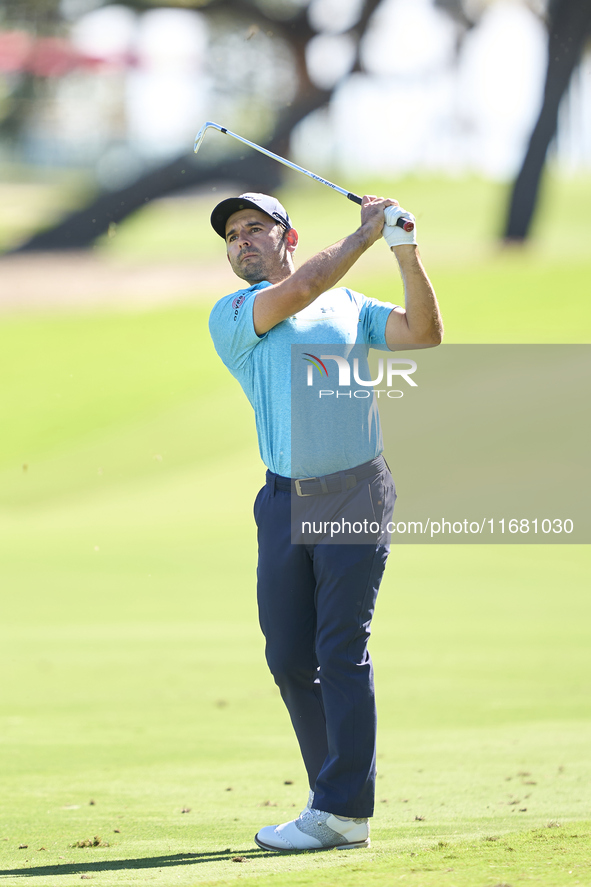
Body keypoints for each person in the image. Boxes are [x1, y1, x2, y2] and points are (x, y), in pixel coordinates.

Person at [208, 191, 443, 852]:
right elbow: (308, 280)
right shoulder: (235, 312)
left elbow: (422, 333)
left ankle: (342, 809)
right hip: (283, 500)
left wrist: (404, 252)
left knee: (339, 648)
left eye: (256, 228)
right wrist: (364, 234)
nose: (242, 240)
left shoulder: (348, 306)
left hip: (355, 493)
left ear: (288, 234)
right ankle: (330, 802)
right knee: (288, 657)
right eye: (231, 235)